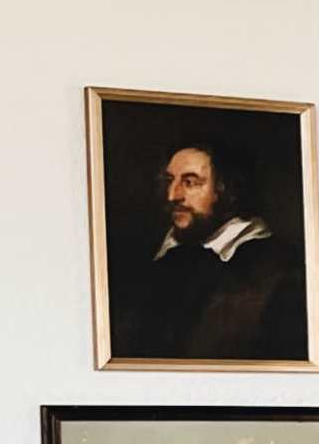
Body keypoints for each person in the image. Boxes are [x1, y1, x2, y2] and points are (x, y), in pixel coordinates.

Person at [122, 137, 308, 362]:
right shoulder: (155, 260)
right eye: (169, 181)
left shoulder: (280, 270)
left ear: (226, 189)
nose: (172, 195)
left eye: (190, 182)